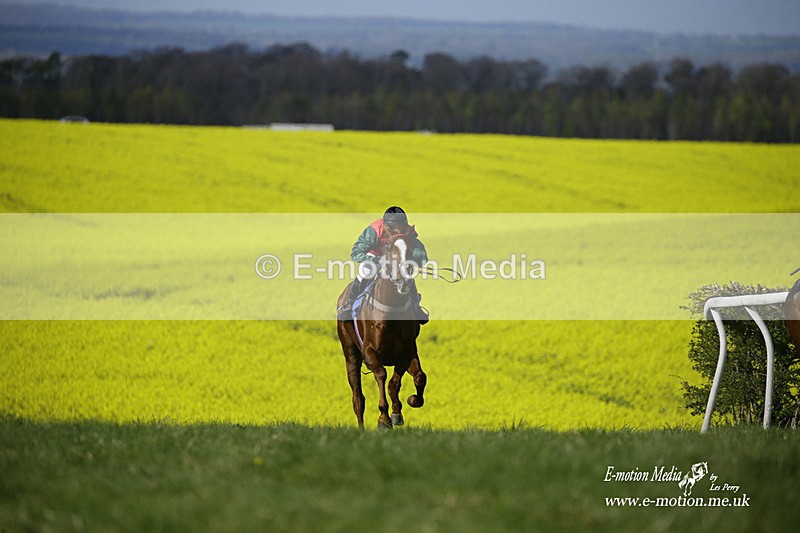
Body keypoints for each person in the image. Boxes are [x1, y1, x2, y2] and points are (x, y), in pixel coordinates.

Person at [337, 206, 429, 324]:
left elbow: (420, 253)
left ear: (404, 224)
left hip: (397, 259)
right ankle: (349, 304)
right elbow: (356, 253)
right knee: (366, 271)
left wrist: (410, 260)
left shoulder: (408, 231)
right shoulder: (375, 230)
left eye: (401, 227)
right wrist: (373, 259)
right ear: (386, 225)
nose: (398, 231)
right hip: (374, 257)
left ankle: (416, 307)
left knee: (406, 273)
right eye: (393, 228)